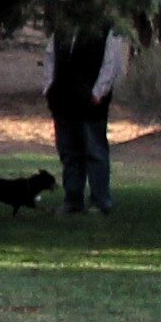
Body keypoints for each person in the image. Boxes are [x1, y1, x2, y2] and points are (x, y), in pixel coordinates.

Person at [47, 24, 128, 215]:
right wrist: (49, 88)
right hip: (63, 99)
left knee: (95, 152)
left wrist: (98, 92)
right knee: (69, 153)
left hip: (90, 102)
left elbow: (111, 64)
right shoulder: (62, 29)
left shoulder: (106, 29)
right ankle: (72, 200)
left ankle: (100, 201)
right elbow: (50, 58)